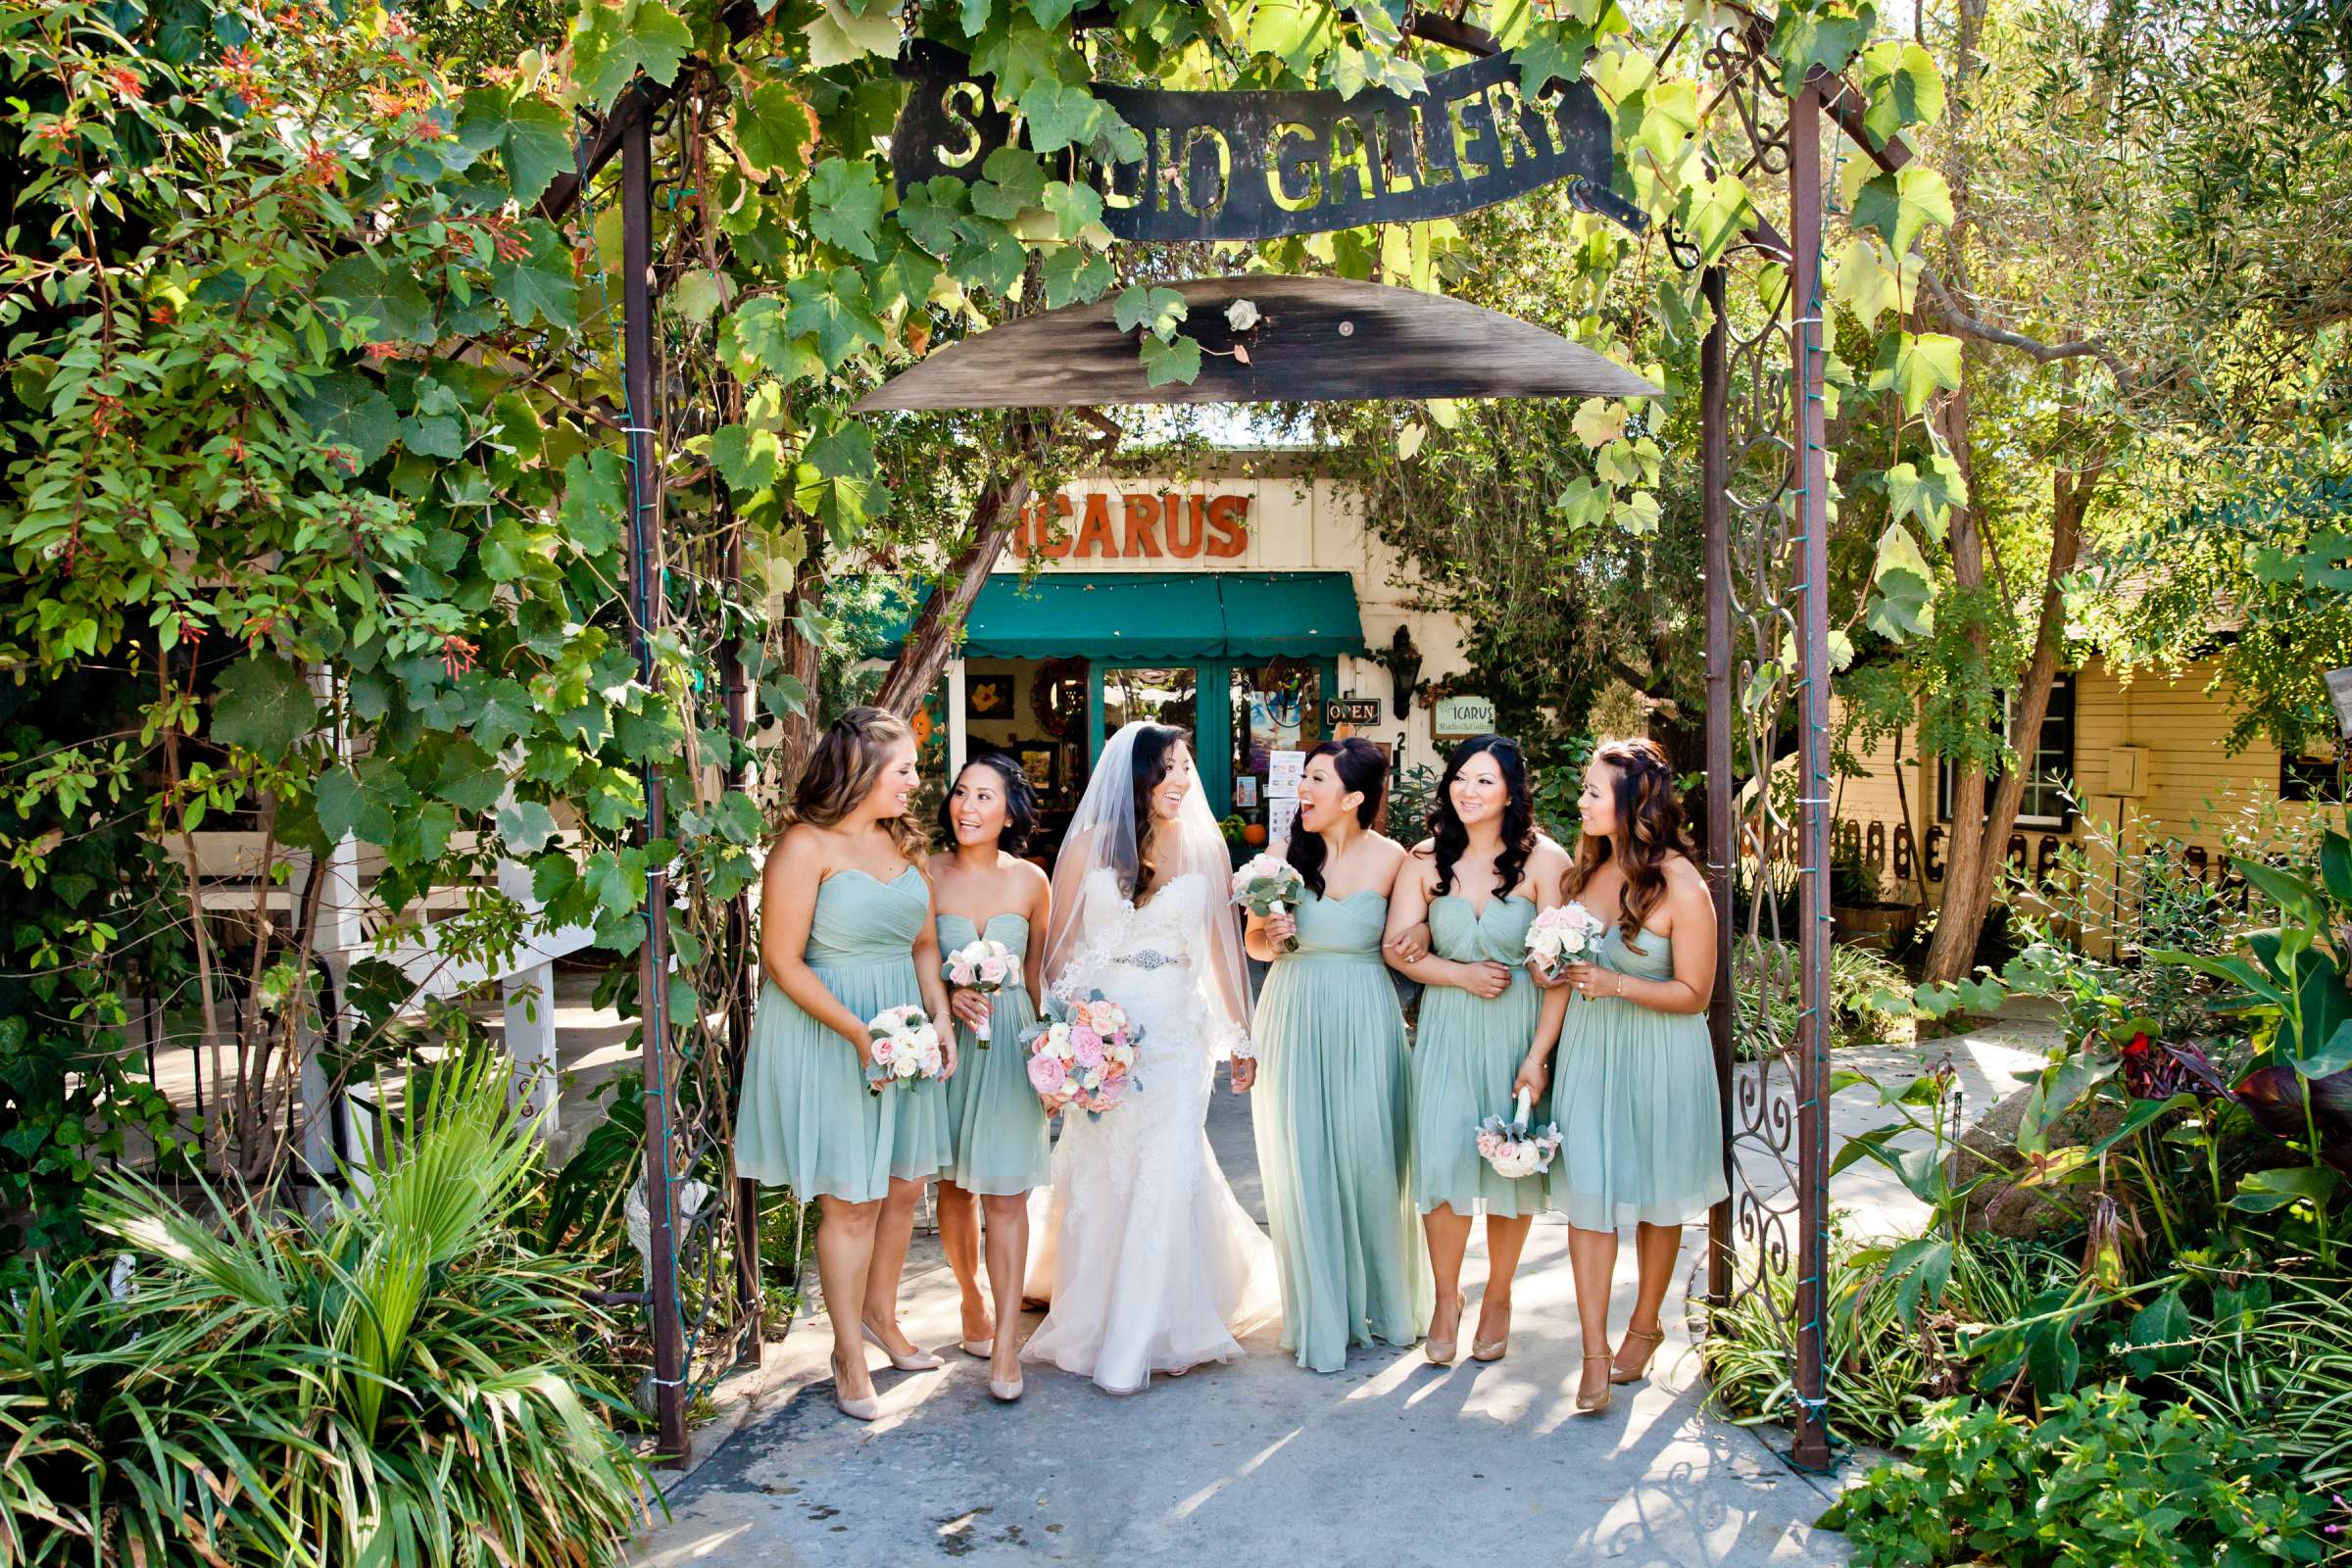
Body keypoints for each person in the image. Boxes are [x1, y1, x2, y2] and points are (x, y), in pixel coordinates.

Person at [1021, 721, 1277, 1394]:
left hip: (1174, 1036)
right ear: (1134, 780)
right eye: (1164, 771)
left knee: (1168, 1163)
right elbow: (1059, 954)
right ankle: (1098, 1314)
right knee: (1106, 1171)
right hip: (1101, 1036)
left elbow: (1222, 950)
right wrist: (1073, 1038)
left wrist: (1241, 1037)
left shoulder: (1205, 848)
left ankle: (1156, 1332)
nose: (1178, 783)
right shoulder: (1086, 848)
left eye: (1185, 768)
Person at [736, 707, 957, 1421]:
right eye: (905, 770)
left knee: (903, 1185)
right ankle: (846, 1352)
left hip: (903, 1028)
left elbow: (924, 944)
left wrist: (942, 1016)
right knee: (853, 1201)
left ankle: (882, 1318)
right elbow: (780, 961)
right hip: (831, 1030)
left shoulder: (906, 844)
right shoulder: (804, 846)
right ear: (861, 770)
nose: (917, 783)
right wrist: (860, 1034)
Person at [1529, 737, 1727, 1414]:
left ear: (1633, 803)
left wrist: (1615, 982)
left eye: (1592, 791)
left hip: (1659, 1056)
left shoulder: (1679, 882)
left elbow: (1697, 992)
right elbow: (1560, 977)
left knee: (1652, 1194)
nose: (1581, 801)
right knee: (1588, 1195)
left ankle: (1646, 1324)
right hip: (1589, 1051)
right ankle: (1591, 1351)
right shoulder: (1579, 879)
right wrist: (1545, 998)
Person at [1244, 737, 1433, 1372]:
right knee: (1307, 1164)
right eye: (1304, 778)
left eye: (1317, 780)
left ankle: (1383, 1302)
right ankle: (1322, 1314)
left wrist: (1425, 932)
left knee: (1371, 1156)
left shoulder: (1395, 860)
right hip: (1294, 1012)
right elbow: (1256, 948)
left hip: (1365, 1016)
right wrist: (1269, 934)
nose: (1303, 790)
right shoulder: (1279, 859)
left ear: (1353, 797)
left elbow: (1411, 934)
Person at [1384, 734, 1571, 1366]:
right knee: (1442, 1162)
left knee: (1509, 1165)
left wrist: (1538, 1055)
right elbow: (1395, 948)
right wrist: (1458, 973)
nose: (1468, 790)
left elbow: (1561, 968)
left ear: (1512, 792)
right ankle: (1445, 1299)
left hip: (1516, 1030)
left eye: (1485, 781)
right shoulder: (1425, 859)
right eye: (1461, 777)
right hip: (1445, 1028)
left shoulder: (1545, 862)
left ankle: (1497, 1295)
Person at [929, 753, 1054, 1401]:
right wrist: (946, 999)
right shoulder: (924, 876)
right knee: (954, 1187)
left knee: (1007, 1195)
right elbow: (916, 965)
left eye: (984, 797)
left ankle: (1007, 1345)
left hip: (1009, 1046)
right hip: (950, 1048)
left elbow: (1040, 979)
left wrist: (1055, 1055)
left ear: (1010, 813)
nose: (967, 808)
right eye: (960, 794)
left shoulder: (1032, 882)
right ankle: (970, 1295)